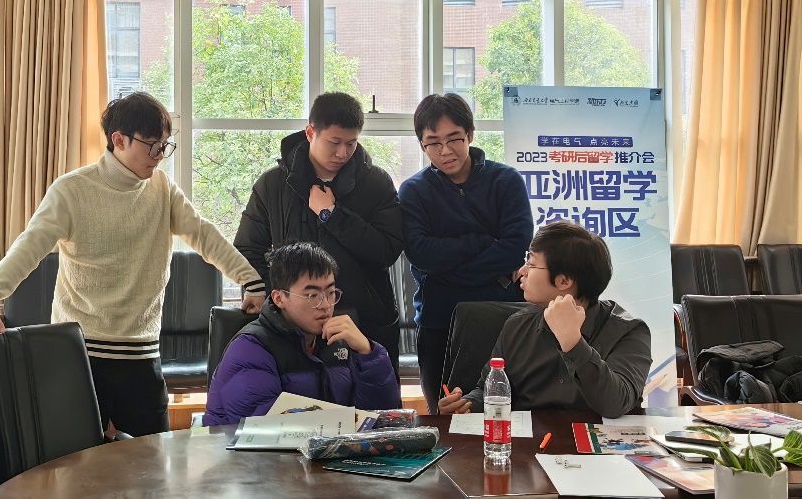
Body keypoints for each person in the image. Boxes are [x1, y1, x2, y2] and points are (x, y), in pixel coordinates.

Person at [0, 92, 266, 437]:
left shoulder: (162, 188)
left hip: (141, 353)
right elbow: (28, 247)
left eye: (165, 146)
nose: (159, 156)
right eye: (152, 146)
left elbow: (203, 234)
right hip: (77, 352)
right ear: (119, 140)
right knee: (77, 461)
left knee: (151, 460)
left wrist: (250, 280)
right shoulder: (72, 190)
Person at [235, 92, 404, 376]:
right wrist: (282, 299)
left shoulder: (376, 183)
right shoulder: (273, 184)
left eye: (351, 143)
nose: (343, 153)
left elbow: (386, 250)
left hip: (365, 322)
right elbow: (248, 249)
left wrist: (331, 215)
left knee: (375, 399)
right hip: (291, 327)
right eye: (334, 143)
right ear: (310, 132)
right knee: (296, 400)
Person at [399, 93, 534, 413]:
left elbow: (515, 248)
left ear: (470, 134)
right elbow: (421, 254)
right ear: (422, 145)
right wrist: (482, 242)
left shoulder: (506, 181)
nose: (445, 151)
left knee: (506, 411)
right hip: (440, 322)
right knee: (445, 415)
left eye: (454, 139)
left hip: (502, 317)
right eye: (433, 143)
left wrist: (447, 271)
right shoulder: (414, 191)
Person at [438, 220, 651, 419]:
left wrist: (572, 342)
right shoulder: (517, 324)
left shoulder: (628, 331)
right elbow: (489, 389)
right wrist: (467, 404)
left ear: (564, 281)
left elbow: (616, 404)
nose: (522, 271)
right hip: (529, 443)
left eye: (531, 264)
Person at [204, 243, 401, 426]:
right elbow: (266, 429)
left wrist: (368, 353)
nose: (325, 305)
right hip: (242, 451)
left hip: (326, 449)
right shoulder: (250, 349)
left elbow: (383, 417)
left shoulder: (338, 339)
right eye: (312, 295)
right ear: (279, 298)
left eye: (331, 292)